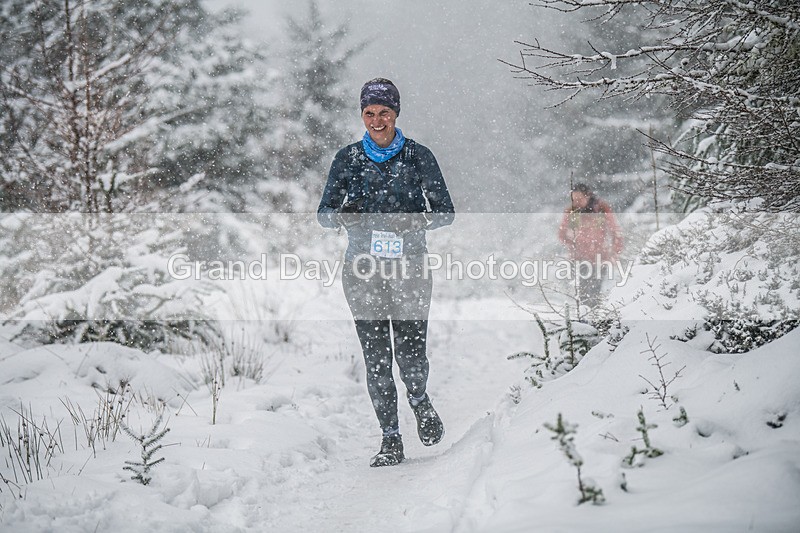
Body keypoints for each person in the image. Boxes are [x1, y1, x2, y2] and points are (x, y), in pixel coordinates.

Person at [317, 78, 455, 467]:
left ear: (396, 114)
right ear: (362, 115)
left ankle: (418, 398)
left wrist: (416, 222)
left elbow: (445, 212)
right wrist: (345, 215)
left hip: (410, 268)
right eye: (369, 113)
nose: (377, 120)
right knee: (376, 356)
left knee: (411, 353)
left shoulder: (418, 157)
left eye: (384, 113)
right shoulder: (347, 159)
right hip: (363, 271)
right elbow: (324, 215)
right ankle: (390, 439)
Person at [557, 183, 623, 308]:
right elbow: (561, 234)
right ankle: (585, 320)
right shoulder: (571, 211)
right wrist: (572, 243)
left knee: (596, 291)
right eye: (574, 199)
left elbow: (615, 230)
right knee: (583, 292)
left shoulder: (602, 208)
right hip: (580, 258)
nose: (576, 202)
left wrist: (615, 250)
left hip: (600, 257)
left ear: (588, 196)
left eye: (579, 199)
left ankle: (596, 318)